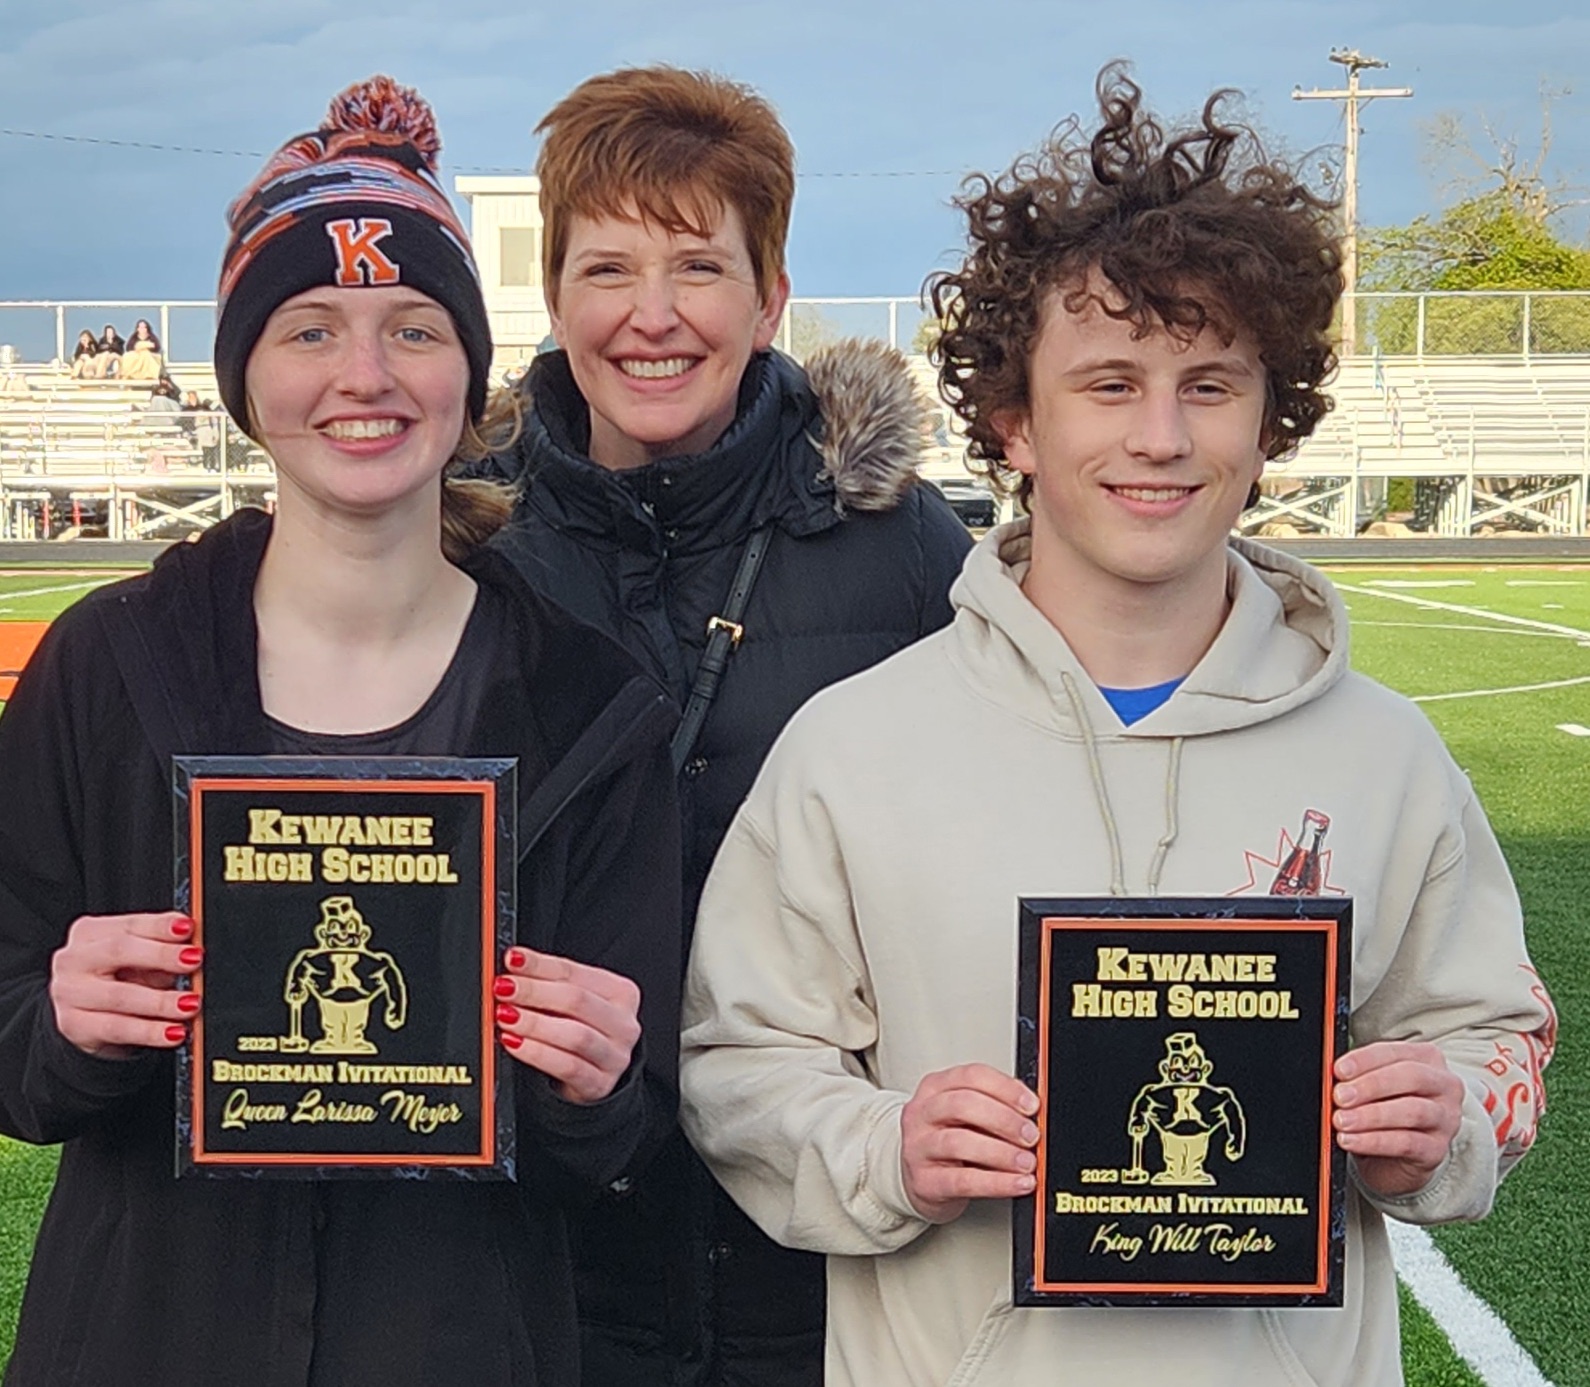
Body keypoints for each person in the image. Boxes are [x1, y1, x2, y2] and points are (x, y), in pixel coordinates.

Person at [679, 68, 1557, 1387]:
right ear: (1015, 424)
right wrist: (885, 1148)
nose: (1159, 436)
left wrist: (1447, 1118)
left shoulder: (1384, 758)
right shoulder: (852, 750)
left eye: (1209, 384)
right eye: (1107, 383)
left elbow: (1498, 1038)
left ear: (1269, 421)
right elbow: (739, 1066)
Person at [0, 75, 680, 1386]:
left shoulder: (589, 707)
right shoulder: (105, 665)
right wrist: (67, 1027)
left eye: (413, 328)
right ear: (244, 376)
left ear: (468, 373)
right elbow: (11, 1042)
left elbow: (629, 1138)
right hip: (147, 1341)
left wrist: (595, 1080)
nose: (364, 377)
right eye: (308, 328)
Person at [478, 64, 972, 1387]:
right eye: (608, 269)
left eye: (698, 266)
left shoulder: (905, 550)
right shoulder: (459, 546)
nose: (653, 315)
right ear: (555, 296)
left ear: (770, 299)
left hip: (825, 1266)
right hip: (538, 1265)